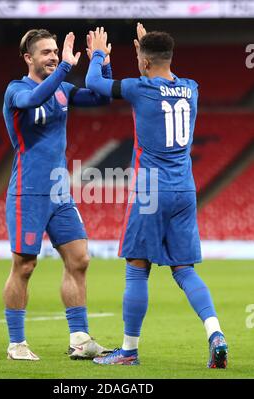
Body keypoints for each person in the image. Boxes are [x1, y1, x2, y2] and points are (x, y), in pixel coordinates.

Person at [85, 24, 228, 368]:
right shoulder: (192, 89)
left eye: (138, 58)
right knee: (184, 270)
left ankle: (128, 351)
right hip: (185, 188)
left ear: (145, 63)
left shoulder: (139, 88)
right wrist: (146, 48)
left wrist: (99, 54)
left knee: (137, 269)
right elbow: (163, 77)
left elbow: (94, 85)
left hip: (151, 189)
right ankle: (216, 334)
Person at [2, 28, 112, 361]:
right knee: (24, 266)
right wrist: (65, 66)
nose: (52, 57)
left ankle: (80, 338)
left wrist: (100, 60)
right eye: (46, 52)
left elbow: (102, 98)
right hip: (28, 191)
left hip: (60, 193)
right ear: (28, 58)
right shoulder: (16, 90)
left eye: (55, 52)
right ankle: (16, 344)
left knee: (79, 259)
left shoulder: (63, 89)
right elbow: (33, 100)